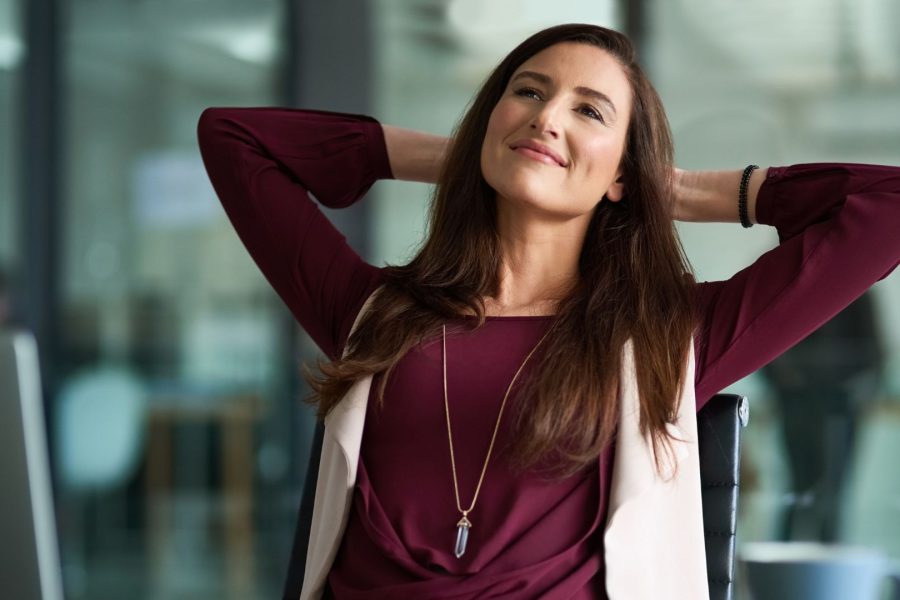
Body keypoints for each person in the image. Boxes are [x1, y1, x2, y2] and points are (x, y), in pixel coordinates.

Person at [196, 23, 900, 600]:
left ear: (625, 170)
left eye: (588, 110)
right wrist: (474, 155)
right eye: (528, 93)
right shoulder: (373, 310)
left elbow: (885, 209)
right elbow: (233, 138)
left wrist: (678, 190)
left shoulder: (667, 336)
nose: (545, 116)